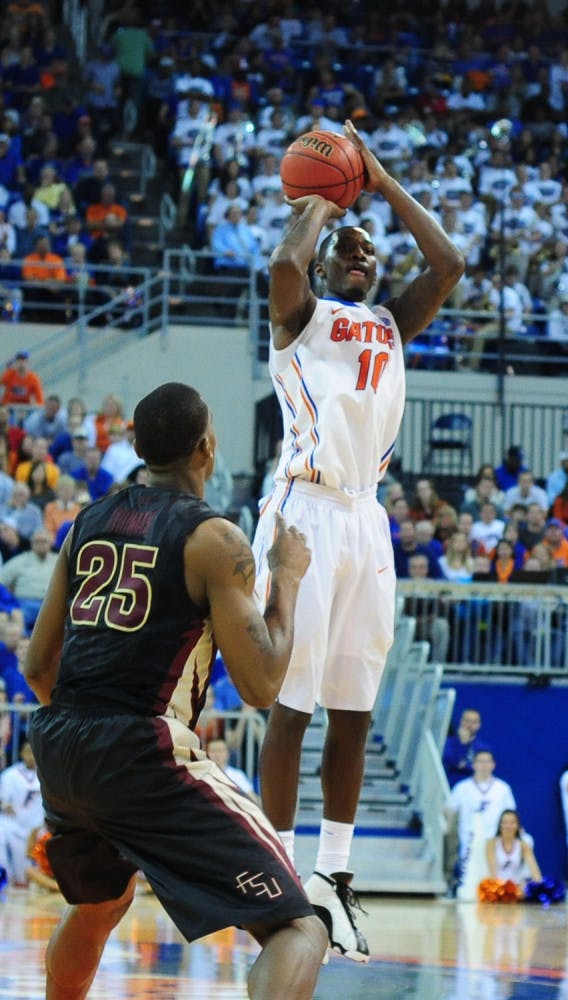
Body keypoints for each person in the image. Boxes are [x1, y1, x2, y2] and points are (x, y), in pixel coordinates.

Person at [23, 382, 326, 1000]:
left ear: (136, 445)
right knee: (299, 928)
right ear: (207, 447)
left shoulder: (88, 522)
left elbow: (35, 666)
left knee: (99, 904)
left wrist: (88, 744)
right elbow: (262, 685)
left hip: (60, 744)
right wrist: (288, 580)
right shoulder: (215, 539)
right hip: (142, 747)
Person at [251, 117, 464, 962]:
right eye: (352, 250)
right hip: (303, 512)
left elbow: (447, 262)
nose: (366, 259)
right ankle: (271, 871)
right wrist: (316, 199)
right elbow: (281, 264)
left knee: (353, 710)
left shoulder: (389, 324)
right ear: (327, 263)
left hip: (366, 518)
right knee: (292, 708)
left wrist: (375, 180)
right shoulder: (301, 315)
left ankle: (332, 879)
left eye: (372, 254)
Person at [445, 749, 516, 892]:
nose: (484, 765)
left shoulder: (503, 788)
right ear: (474, 764)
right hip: (469, 837)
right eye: (480, 761)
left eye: (487, 761)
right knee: (470, 874)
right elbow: (449, 809)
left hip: (495, 838)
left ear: (493, 765)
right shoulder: (462, 787)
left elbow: (511, 812)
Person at [0, 741, 44, 887]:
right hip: (12, 825)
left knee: (23, 877)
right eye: (27, 752)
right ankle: (4, 874)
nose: (31, 756)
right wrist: (5, 805)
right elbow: (1, 800)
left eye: (34, 751)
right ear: (21, 754)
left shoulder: (47, 774)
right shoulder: (9, 774)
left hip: (33, 829)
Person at [486, 809, 542, 888]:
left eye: (512, 823)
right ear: (500, 825)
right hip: (496, 887)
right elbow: (492, 873)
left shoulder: (523, 844)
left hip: (517, 888)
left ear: (518, 826)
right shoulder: (491, 843)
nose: (508, 826)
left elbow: (536, 873)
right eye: (505, 823)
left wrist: (541, 888)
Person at [442, 708, 491, 787]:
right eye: (467, 721)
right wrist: (462, 744)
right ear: (461, 721)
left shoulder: (483, 748)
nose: (469, 725)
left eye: (473, 722)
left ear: (479, 725)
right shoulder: (449, 742)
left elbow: (482, 768)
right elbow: (450, 760)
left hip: (472, 788)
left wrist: (464, 766)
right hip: (448, 786)